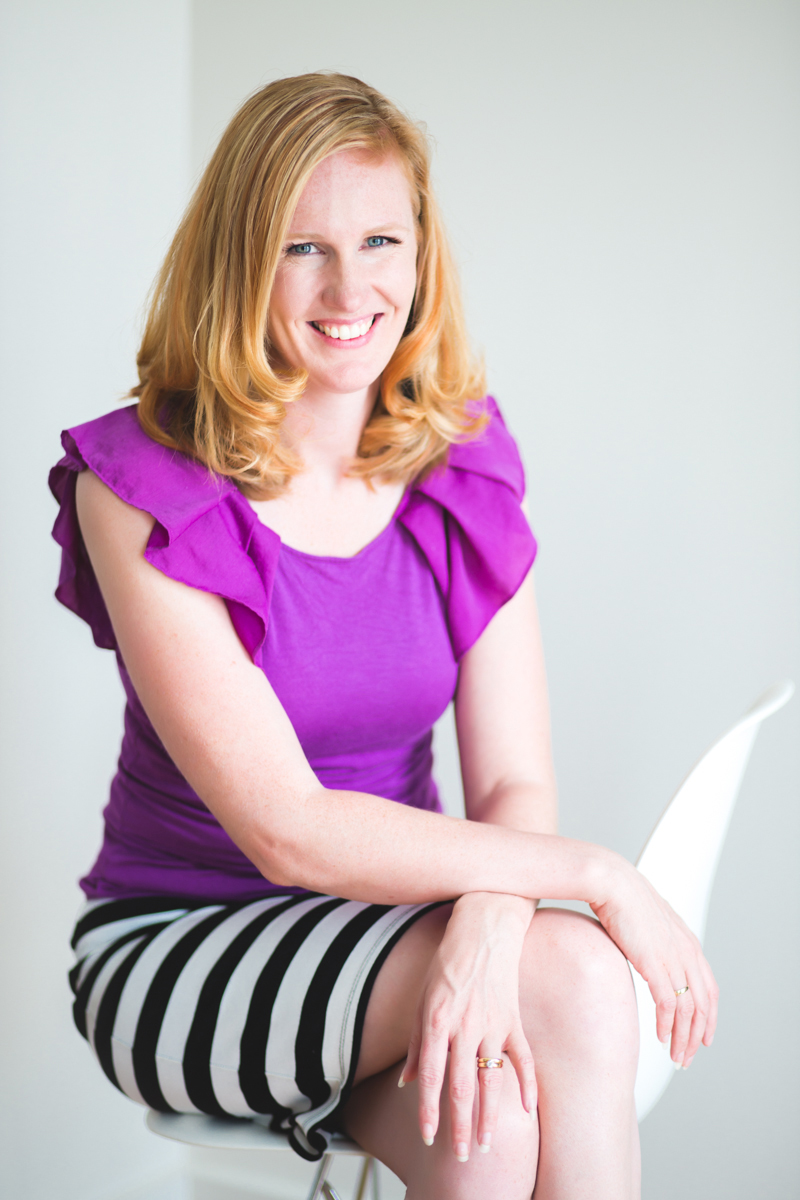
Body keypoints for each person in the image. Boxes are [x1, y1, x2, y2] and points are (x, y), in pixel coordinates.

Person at [51, 73, 717, 1200]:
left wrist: (487, 923)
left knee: (491, 1125)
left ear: (420, 257)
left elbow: (510, 777)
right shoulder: (140, 486)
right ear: (237, 261)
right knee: (582, 979)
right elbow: (291, 836)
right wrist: (591, 880)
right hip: (180, 946)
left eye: (379, 239)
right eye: (301, 248)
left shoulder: (462, 464)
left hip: (394, 931)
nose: (349, 286)